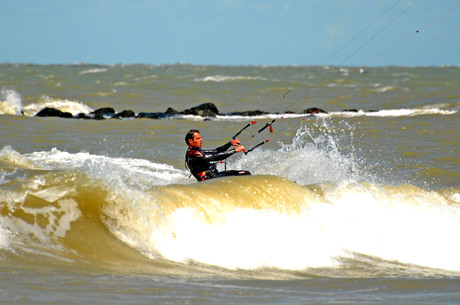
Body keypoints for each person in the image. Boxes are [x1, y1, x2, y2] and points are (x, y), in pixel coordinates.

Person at [185, 129, 251, 181]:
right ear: (190, 141)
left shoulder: (197, 151)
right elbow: (216, 157)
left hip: (215, 176)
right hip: (209, 180)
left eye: (200, 138)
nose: (201, 140)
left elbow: (215, 151)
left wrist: (230, 143)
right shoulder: (193, 153)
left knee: (244, 173)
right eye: (198, 139)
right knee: (246, 174)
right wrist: (235, 150)